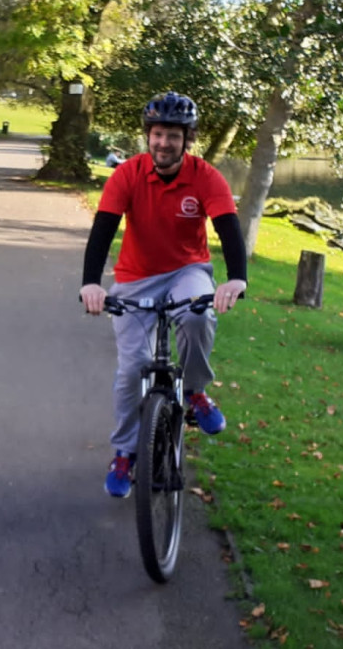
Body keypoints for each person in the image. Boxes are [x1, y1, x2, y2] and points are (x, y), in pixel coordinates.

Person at [78, 91, 249, 498]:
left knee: (197, 315)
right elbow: (103, 229)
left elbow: (228, 228)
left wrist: (236, 279)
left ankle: (195, 392)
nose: (164, 143)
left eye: (173, 135)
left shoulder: (205, 176)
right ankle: (125, 453)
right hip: (135, 277)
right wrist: (90, 282)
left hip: (187, 271)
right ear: (148, 136)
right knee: (131, 369)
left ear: (188, 138)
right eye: (157, 134)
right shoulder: (128, 174)